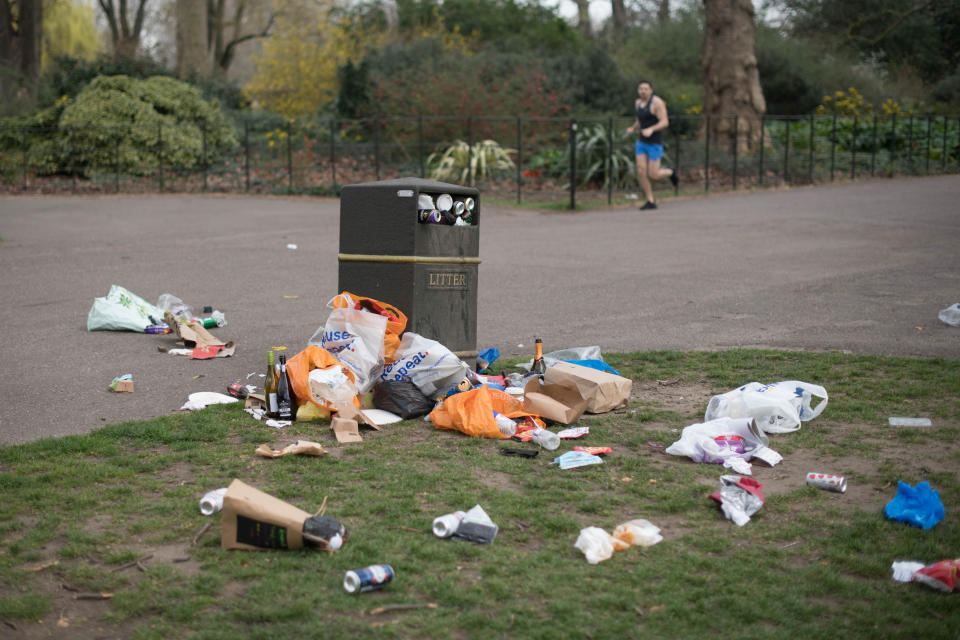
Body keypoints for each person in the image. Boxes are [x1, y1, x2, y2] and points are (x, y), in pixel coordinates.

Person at [626, 81, 678, 210]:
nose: (643, 91)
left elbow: (665, 122)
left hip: (654, 142)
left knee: (653, 174)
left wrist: (651, 129)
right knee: (642, 171)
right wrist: (633, 128)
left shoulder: (657, 103)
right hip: (642, 142)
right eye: (641, 89)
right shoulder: (637, 103)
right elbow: (639, 120)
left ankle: (671, 172)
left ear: (651, 90)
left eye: (645, 89)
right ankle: (650, 200)